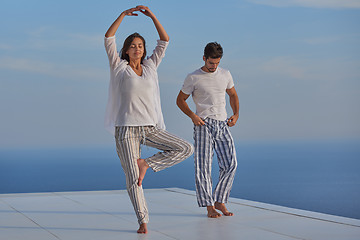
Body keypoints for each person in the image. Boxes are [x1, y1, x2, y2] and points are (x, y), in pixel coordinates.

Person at [104, 6, 193, 234]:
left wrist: (152, 16)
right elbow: (108, 38)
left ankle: (148, 164)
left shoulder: (151, 66)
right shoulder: (119, 68)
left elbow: (164, 40)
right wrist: (122, 15)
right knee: (133, 179)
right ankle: (143, 220)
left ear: (144, 50)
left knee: (185, 148)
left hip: (150, 128)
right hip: (126, 130)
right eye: (132, 46)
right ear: (126, 50)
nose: (137, 49)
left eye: (140, 46)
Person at [176, 42, 239, 218]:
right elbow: (180, 100)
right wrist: (192, 116)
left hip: (223, 124)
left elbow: (233, 94)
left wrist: (236, 114)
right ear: (204, 58)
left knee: (231, 164)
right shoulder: (193, 77)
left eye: (217, 63)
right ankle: (209, 206)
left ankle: (220, 199)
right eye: (211, 63)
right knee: (203, 167)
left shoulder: (225, 74)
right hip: (203, 124)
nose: (214, 66)